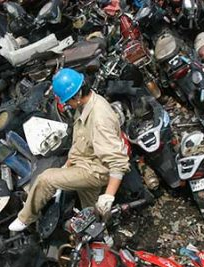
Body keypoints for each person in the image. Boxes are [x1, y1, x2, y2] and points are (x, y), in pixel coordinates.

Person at [8, 68, 130, 232]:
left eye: (68, 101)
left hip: (96, 170)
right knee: (91, 212)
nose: (67, 105)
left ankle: (25, 218)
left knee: (46, 179)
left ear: (77, 95)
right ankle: (100, 234)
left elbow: (118, 162)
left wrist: (108, 196)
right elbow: (81, 139)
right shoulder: (87, 103)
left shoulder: (99, 118)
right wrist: (69, 162)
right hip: (87, 161)